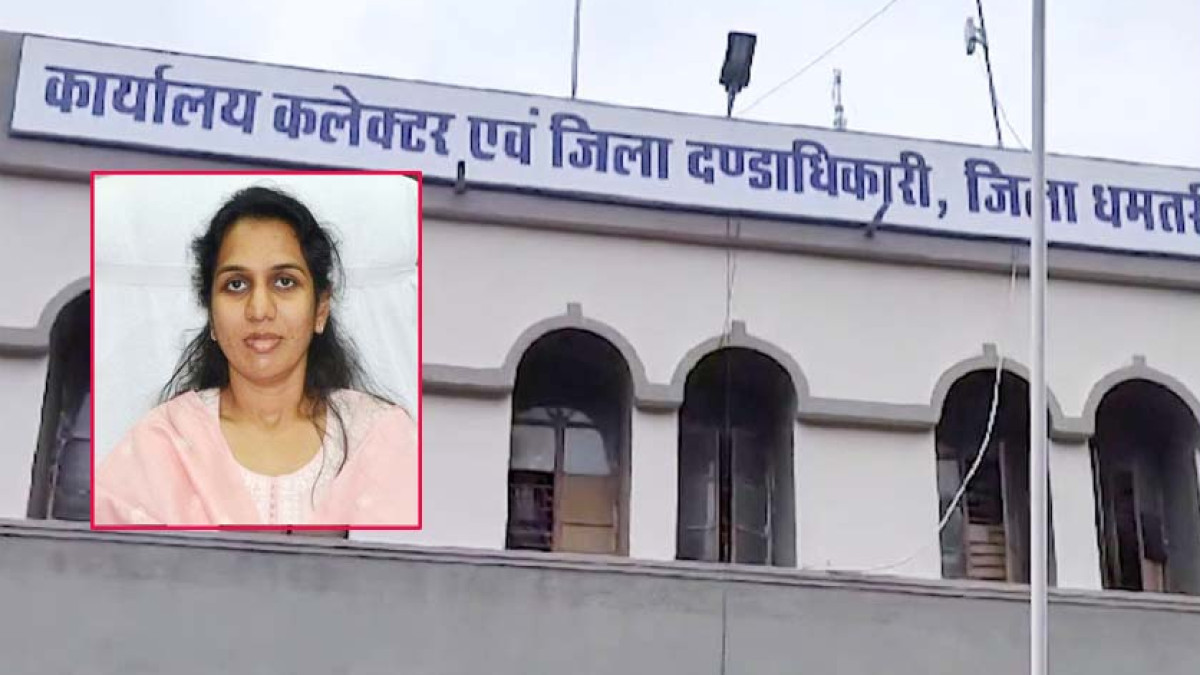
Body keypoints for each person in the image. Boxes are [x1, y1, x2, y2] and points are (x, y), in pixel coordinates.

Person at [95, 185, 417, 527]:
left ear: (320, 309)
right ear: (211, 315)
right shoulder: (164, 444)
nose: (259, 309)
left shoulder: (379, 439)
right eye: (236, 284)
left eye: (284, 282)